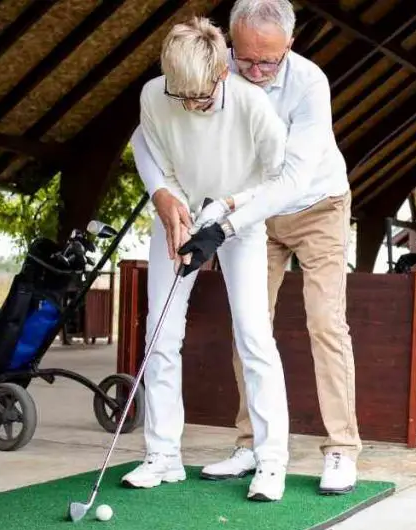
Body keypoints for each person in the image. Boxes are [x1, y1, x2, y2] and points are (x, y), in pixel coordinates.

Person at [130, 0, 362, 496]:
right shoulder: (201, 72)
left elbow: (292, 176)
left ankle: (340, 447)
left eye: (267, 62)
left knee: (323, 321)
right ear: (228, 47)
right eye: (244, 59)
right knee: (249, 328)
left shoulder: (307, 83)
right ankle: (247, 444)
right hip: (234, 207)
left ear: (289, 47)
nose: (254, 71)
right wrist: (168, 195)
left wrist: (227, 220)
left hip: (313, 203)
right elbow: (151, 140)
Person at [120, 15, 292, 503]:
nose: (190, 106)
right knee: (161, 331)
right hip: (180, 218)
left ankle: (271, 459)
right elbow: (150, 150)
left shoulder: (253, 106)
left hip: (241, 222)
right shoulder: (157, 95)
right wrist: (166, 200)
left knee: (254, 334)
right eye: (181, 96)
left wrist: (226, 217)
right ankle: (163, 456)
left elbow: (277, 181)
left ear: (222, 73)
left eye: (201, 97)